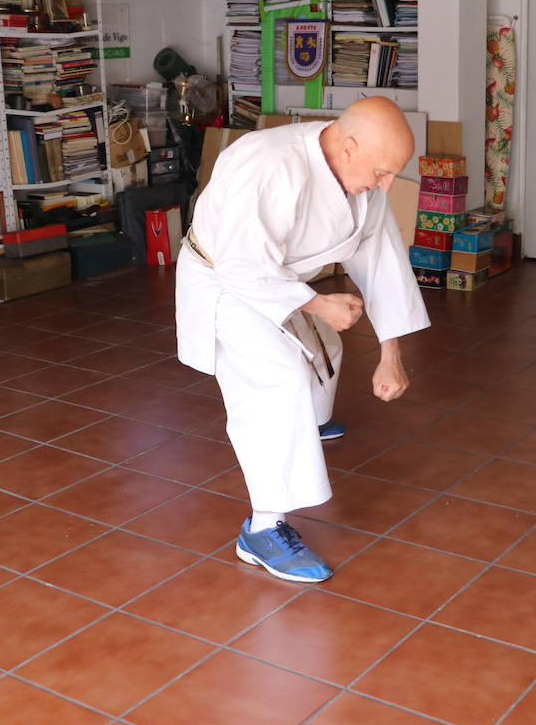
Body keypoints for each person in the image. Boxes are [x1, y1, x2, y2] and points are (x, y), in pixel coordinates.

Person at [175, 97, 430, 582]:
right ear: (349, 146)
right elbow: (242, 267)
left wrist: (390, 356)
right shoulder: (268, 163)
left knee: (325, 351)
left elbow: (384, 267)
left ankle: (305, 424)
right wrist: (318, 304)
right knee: (278, 380)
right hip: (223, 280)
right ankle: (263, 529)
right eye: (381, 171)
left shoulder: (360, 174)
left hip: (282, 279)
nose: (386, 184)